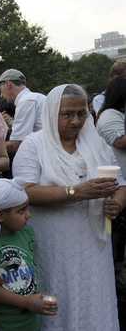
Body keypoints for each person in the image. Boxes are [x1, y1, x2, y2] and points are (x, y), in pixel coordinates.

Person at [13, 84, 126, 330]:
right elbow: (24, 191)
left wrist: (116, 203)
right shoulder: (34, 145)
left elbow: (121, 184)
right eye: (67, 114)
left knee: (93, 298)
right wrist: (75, 192)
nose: (76, 121)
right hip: (54, 244)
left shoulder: (95, 143)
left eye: (81, 113)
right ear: (52, 113)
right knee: (59, 296)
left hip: (94, 244)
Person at [0, 178, 58, 331]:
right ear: (0, 215)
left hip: (31, 321)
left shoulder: (27, 233)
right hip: (5, 324)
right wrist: (26, 302)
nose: (28, 215)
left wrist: (36, 299)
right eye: (21, 211)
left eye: (27, 209)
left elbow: (30, 268)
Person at [96, 76, 126, 329]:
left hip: (122, 189)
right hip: (113, 189)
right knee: (116, 246)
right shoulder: (109, 116)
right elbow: (120, 141)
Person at [0, 69, 46, 155]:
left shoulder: (27, 101)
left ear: (8, 84)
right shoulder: (36, 97)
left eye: (0, 89)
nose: (1, 95)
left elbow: (15, 145)